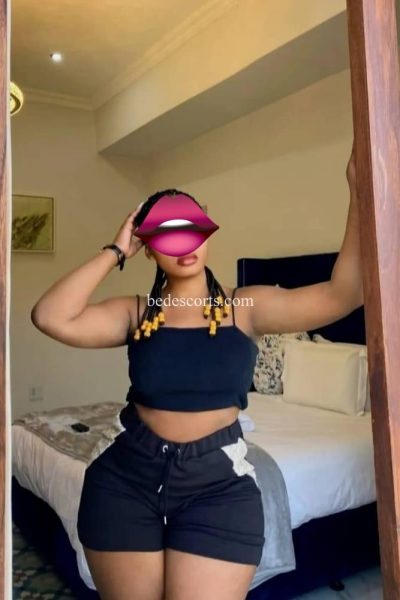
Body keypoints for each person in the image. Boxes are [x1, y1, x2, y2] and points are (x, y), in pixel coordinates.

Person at [30, 145, 363, 600]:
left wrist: (358, 191)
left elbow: (345, 293)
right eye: (165, 234)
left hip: (218, 488)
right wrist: (116, 249)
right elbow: (50, 316)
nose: (184, 243)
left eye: (191, 226)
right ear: (149, 249)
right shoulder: (137, 312)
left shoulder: (246, 307)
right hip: (125, 480)